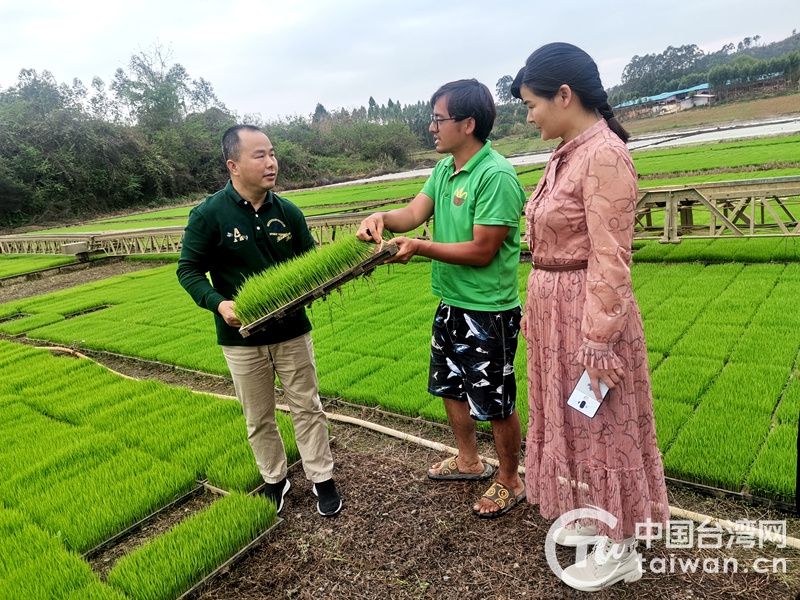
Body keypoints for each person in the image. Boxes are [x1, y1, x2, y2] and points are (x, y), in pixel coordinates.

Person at [510, 43, 669, 591]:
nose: (529, 117)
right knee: (571, 419)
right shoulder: (568, 152)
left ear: (564, 95)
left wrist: (599, 338)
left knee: (603, 424)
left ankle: (620, 546)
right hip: (556, 310)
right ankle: (592, 513)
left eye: (531, 105)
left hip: (589, 312)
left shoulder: (604, 155)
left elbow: (611, 256)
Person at [357, 79, 527, 518]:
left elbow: (483, 250)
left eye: (438, 119)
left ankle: (511, 479)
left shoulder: (495, 176)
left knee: (495, 399)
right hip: (451, 302)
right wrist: (381, 217)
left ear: (467, 124)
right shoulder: (445, 170)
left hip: (488, 311)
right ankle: (469, 461)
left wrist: (420, 246)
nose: (431, 127)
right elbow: (413, 214)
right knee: (450, 385)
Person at [177, 124, 341, 517]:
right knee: (258, 417)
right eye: (260, 155)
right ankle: (274, 479)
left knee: (308, 406)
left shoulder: (288, 212)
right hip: (241, 339)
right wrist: (219, 304)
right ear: (233, 165)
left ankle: (322, 478)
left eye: (273, 154)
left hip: (292, 333)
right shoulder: (208, 215)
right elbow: (189, 270)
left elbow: (311, 265)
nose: (271, 163)